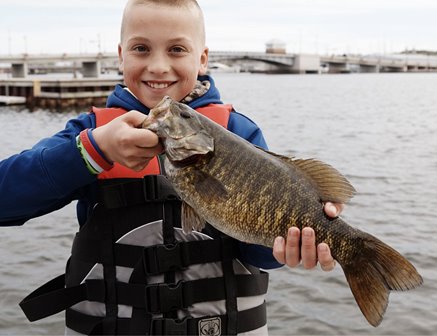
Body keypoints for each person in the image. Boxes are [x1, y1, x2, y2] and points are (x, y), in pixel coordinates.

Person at [0, 0, 343, 334]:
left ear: (202, 58)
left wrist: (290, 245)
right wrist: (92, 150)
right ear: (121, 55)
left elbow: (260, 255)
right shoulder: (89, 134)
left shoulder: (239, 133)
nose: (159, 66)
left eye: (177, 49)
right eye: (141, 49)